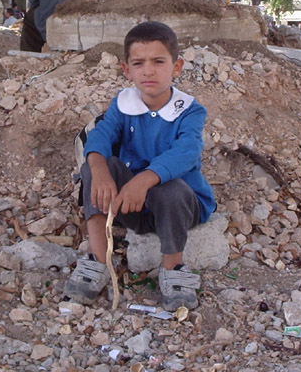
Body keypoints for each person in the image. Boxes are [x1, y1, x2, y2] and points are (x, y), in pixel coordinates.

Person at [64, 21, 217, 311]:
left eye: (158, 61)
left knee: (169, 188)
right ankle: (98, 262)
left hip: (180, 208)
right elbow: (100, 136)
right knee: (96, 165)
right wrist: (98, 171)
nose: (148, 71)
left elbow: (186, 152)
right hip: (132, 207)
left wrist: (142, 180)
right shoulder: (123, 104)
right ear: (127, 70)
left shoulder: (190, 110)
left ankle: (173, 268)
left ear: (177, 66)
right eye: (139, 63)